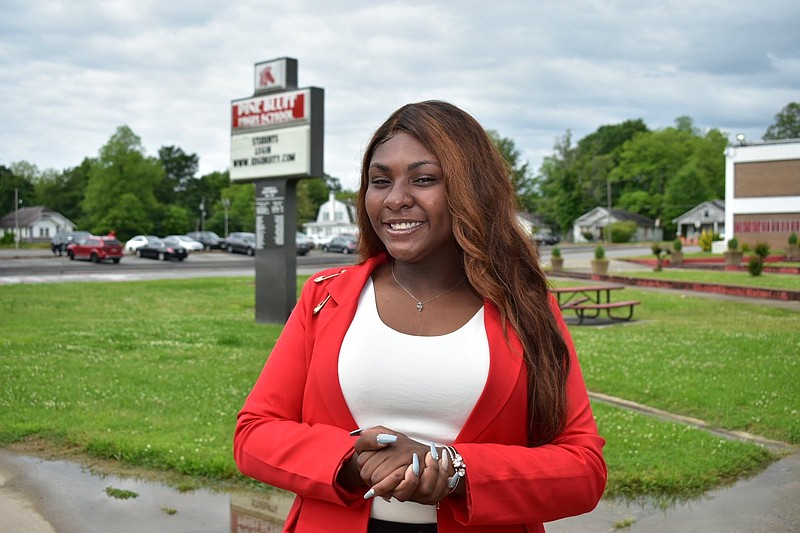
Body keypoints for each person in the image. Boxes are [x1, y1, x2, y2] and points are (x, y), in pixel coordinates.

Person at [234, 100, 606, 533]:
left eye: (424, 179)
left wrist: (456, 471)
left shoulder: (526, 307)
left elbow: (583, 468)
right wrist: (350, 463)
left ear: (471, 189)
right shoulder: (325, 297)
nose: (396, 199)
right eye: (380, 181)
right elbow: (254, 434)